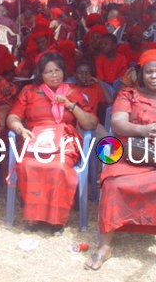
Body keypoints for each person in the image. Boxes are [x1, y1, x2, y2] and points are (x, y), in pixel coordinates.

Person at [85, 48, 156, 279]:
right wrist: (143, 130)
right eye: (149, 72)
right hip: (130, 155)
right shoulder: (128, 95)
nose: (154, 76)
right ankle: (105, 245)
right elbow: (117, 123)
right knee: (113, 184)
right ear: (141, 73)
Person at [6, 51, 97, 231]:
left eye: (57, 70)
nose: (54, 74)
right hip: (36, 140)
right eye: (49, 71)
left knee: (58, 167)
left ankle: (56, 219)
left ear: (64, 72)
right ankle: (34, 217)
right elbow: (13, 117)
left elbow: (91, 123)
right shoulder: (29, 92)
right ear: (41, 74)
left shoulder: (74, 92)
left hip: (64, 141)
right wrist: (20, 129)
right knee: (27, 165)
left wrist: (70, 104)